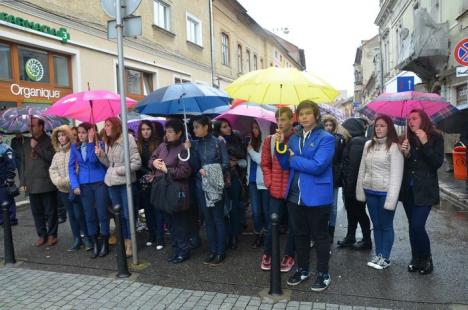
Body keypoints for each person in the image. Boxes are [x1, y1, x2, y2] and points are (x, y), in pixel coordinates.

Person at [276, 100, 334, 292]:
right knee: (300, 235)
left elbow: (318, 166)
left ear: (316, 115)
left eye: (308, 113)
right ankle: (302, 270)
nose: (304, 117)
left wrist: (294, 159)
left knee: (320, 237)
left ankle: (323, 273)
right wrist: (280, 146)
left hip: (317, 196)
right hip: (294, 196)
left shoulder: (326, 138)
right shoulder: (292, 138)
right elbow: (285, 164)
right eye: (301, 114)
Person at [356, 115, 404, 270]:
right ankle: (378, 255)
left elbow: (396, 175)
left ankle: (386, 257)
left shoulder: (394, 147)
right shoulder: (368, 145)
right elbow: (362, 168)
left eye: (383, 126)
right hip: (370, 191)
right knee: (376, 225)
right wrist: (360, 189)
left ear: (389, 128)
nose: (379, 128)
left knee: (386, 225)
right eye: (377, 126)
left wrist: (391, 199)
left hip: (385, 193)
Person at [400, 109, 444, 275]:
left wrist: (425, 143)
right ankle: (416, 258)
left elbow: (436, 164)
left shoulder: (435, 137)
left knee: (418, 225)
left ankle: (427, 258)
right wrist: (406, 153)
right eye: (409, 119)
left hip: (425, 190)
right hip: (408, 190)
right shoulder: (408, 137)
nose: (411, 122)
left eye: (414, 118)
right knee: (412, 226)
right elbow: (410, 164)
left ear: (423, 119)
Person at [186, 115, 229, 265]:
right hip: (200, 186)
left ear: (206, 127)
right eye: (193, 127)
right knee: (208, 220)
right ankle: (213, 250)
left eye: (197, 127)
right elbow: (194, 166)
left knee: (217, 218)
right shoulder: (194, 144)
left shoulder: (218, 142)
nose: (194, 130)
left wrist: (209, 171)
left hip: (215, 186)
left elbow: (225, 163)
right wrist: (188, 151)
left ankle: (221, 251)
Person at [97, 117, 142, 257]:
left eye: (108, 125)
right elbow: (109, 163)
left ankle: (130, 242)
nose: (106, 128)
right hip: (112, 183)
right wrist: (101, 155)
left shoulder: (128, 139)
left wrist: (118, 170)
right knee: (119, 215)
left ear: (116, 126)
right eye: (105, 125)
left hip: (125, 183)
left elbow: (136, 163)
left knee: (128, 215)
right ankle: (123, 240)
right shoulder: (107, 141)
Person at [260, 107, 296, 273]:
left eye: (284, 119)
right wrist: (268, 182)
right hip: (275, 189)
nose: (280, 123)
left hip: (293, 190)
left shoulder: (297, 138)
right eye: (278, 119)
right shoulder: (269, 140)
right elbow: (265, 164)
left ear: (291, 120)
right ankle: (267, 253)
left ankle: (289, 254)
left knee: (293, 225)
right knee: (272, 223)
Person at [151, 119, 192, 263]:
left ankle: (183, 250)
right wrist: (154, 162)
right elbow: (152, 158)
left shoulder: (183, 148)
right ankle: (175, 250)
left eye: (170, 131)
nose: (167, 134)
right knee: (170, 223)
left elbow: (185, 171)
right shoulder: (162, 146)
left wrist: (167, 169)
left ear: (179, 132)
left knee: (179, 222)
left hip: (177, 190)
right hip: (163, 189)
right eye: (166, 131)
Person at [69, 122, 109, 258]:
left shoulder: (100, 144)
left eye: (83, 132)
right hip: (84, 184)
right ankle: (94, 242)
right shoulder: (75, 147)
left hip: (99, 182)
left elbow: (92, 160)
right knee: (89, 214)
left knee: (102, 213)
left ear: (91, 132)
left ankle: (105, 242)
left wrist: (92, 142)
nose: (80, 135)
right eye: (79, 132)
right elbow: (71, 167)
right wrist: (75, 185)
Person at [49, 125, 92, 252]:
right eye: (58, 136)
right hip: (63, 190)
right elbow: (52, 170)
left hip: (75, 188)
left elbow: (77, 168)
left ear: (68, 136)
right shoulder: (57, 155)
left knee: (80, 214)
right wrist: (58, 182)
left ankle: (88, 238)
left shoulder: (74, 149)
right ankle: (77, 239)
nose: (61, 138)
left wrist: (65, 181)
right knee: (72, 216)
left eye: (63, 135)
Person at [338, 118, 372, 250]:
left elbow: (354, 168)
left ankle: (366, 240)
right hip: (353, 184)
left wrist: (350, 189)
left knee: (359, 212)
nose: (342, 131)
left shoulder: (357, 142)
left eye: (344, 129)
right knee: (353, 212)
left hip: (354, 186)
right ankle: (350, 237)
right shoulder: (354, 141)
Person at [23, 117, 58, 247]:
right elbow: (23, 163)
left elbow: (52, 158)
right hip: (32, 183)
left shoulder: (49, 141)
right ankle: (42, 235)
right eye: (29, 125)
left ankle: (52, 235)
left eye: (32, 125)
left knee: (50, 211)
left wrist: (36, 147)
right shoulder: (26, 142)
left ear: (41, 127)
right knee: (36, 212)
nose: (30, 128)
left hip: (46, 182)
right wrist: (23, 181)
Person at [213, 119, 247, 250]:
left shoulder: (235, 138)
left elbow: (241, 154)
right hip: (220, 178)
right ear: (218, 130)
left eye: (228, 126)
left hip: (234, 177)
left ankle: (234, 236)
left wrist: (226, 145)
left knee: (234, 208)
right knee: (223, 209)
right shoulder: (215, 141)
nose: (228, 129)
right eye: (224, 127)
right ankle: (226, 235)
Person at [136, 120, 164, 249]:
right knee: (147, 209)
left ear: (152, 130)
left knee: (157, 209)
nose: (145, 131)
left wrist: (154, 174)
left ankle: (160, 237)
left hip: (157, 178)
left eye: (148, 129)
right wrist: (147, 174)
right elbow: (137, 164)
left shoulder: (158, 143)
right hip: (143, 180)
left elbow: (161, 161)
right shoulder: (137, 145)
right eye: (143, 129)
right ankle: (151, 235)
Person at [322, 115, 349, 243]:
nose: (328, 128)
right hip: (321, 177)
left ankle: (330, 233)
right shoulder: (319, 139)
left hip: (334, 176)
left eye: (330, 125)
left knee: (333, 206)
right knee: (322, 206)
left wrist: (339, 175)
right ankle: (321, 231)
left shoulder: (339, 140)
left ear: (334, 127)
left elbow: (341, 160)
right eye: (326, 125)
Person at [246, 120, 269, 249]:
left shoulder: (267, 142)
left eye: (256, 128)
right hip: (252, 182)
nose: (254, 130)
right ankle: (258, 235)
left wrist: (250, 151)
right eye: (253, 128)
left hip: (264, 182)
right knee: (256, 212)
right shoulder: (251, 142)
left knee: (266, 211)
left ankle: (268, 235)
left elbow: (262, 161)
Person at [0, 131, 18, 226]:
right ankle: (2, 220)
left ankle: (11, 220)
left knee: (7, 201)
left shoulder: (6, 149)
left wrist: (9, 178)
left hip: (4, 181)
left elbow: (11, 166)